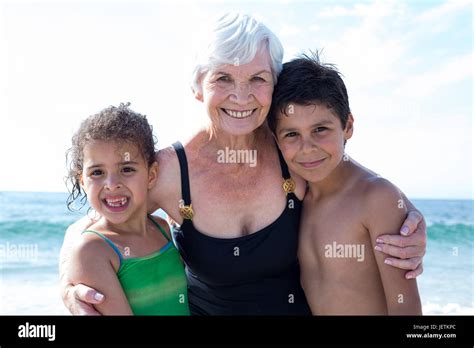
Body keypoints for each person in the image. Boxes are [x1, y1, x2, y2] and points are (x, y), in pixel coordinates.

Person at [60, 13, 427, 316]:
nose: (241, 95)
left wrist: (405, 216)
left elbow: (346, 175)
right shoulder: (171, 172)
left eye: (257, 78)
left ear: (273, 86)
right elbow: (100, 222)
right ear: (197, 87)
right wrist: (68, 282)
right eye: (223, 78)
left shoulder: (290, 151)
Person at [268, 53, 422, 314]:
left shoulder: (375, 199)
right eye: (292, 134)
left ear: (347, 126)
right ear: (275, 138)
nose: (307, 148)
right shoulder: (293, 195)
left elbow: (406, 310)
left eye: (320, 130)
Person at [64, 103, 189, 315]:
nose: (112, 184)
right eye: (97, 173)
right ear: (83, 182)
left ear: (151, 175)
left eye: (127, 169)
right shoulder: (91, 251)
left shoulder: (161, 228)